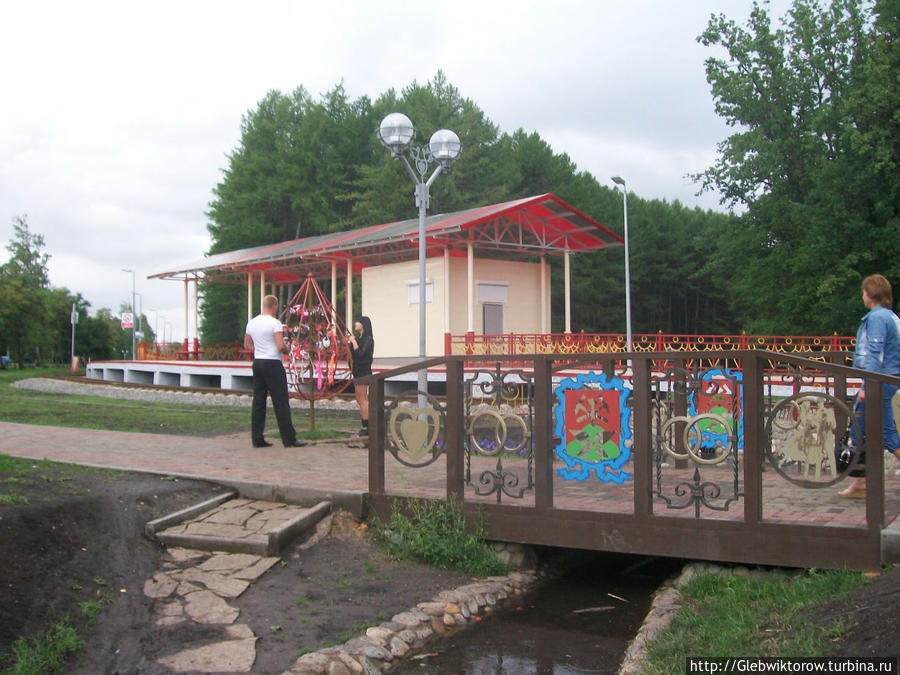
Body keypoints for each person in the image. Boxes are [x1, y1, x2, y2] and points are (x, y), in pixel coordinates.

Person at [838, 274, 900, 498]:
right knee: (862, 429)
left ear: (871, 294)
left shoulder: (877, 318)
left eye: (864, 292)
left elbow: (876, 353)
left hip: (879, 381)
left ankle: (862, 482)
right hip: (885, 380)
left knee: (884, 434)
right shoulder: (889, 316)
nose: (862, 296)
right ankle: (862, 483)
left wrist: (867, 384)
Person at [244, 295, 307, 448]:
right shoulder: (275, 323)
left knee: (258, 401)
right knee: (280, 401)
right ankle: (289, 439)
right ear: (274, 306)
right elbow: (280, 345)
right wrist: (287, 350)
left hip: (258, 362)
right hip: (272, 363)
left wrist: (259, 349)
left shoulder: (251, 323)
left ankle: (257, 438)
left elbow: (247, 345)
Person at [347, 316, 374, 436]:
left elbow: (361, 354)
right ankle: (365, 423)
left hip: (363, 371)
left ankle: (366, 426)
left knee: (363, 399)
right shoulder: (359, 338)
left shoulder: (368, 339)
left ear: (363, 324)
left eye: (358, 321)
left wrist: (353, 342)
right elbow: (353, 355)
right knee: (359, 399)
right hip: (357, 371)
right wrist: (349, 343)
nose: (355, 323)